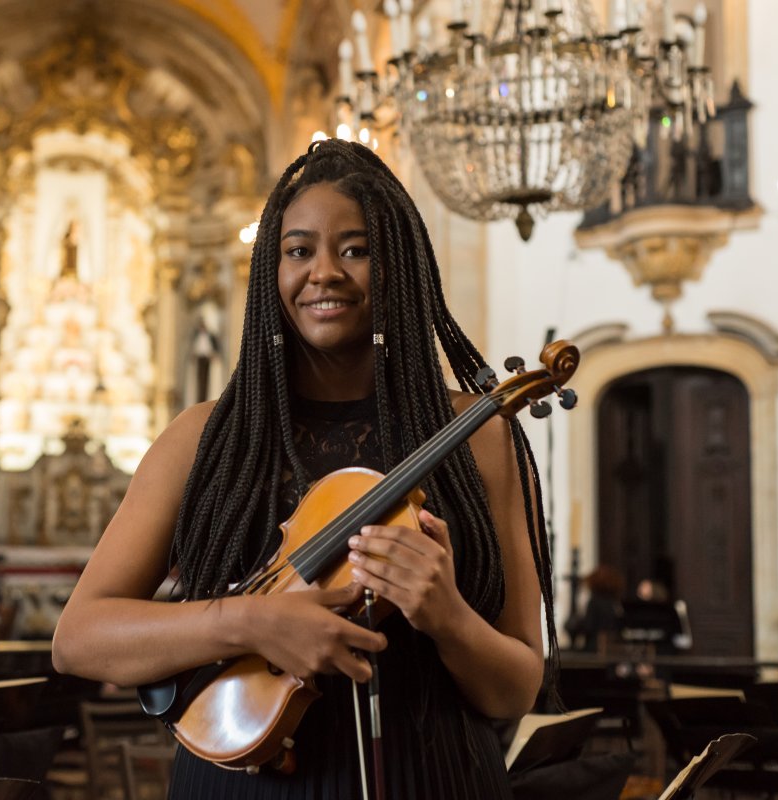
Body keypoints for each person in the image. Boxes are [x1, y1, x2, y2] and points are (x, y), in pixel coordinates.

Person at [52, 139, 557, 798]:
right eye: (299, 250)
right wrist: (244, 620)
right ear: (272, 269)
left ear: (398, 267)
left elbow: (517, 686)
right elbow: (79, 638)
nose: (324, 271)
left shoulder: (482, 436)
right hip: (246, 780)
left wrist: (448, 616)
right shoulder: (203, 438)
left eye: (355, 249)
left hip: (430, 777)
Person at [566, 565, 624, 653]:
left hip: (594, 648)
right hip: (612, 648)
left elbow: (588, 626)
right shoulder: (614, 602)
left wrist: (575, 625)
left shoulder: (594, 602)